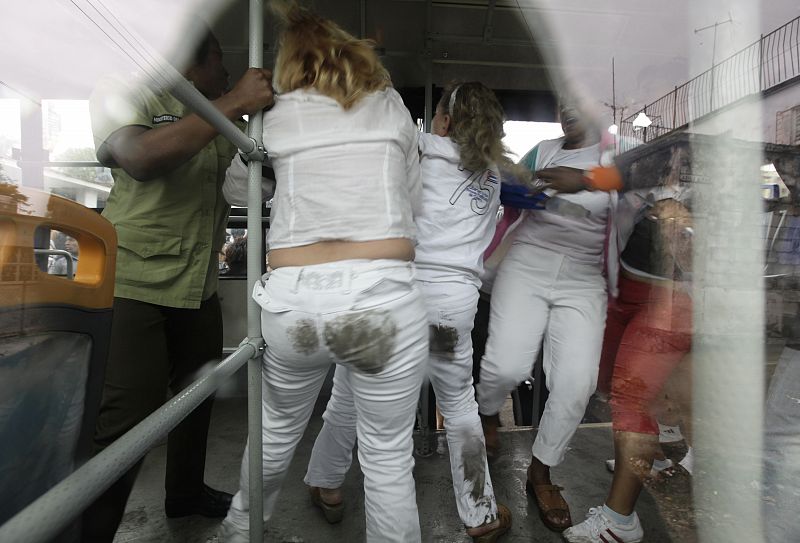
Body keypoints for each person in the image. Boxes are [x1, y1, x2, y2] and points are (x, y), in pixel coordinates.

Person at [217, 4, 427, 542]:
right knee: (386, 460)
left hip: (295, 306)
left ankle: (239, 533)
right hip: (382, 301)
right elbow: (413, 198)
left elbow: (236, 192)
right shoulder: (390, 104)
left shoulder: (273, 115)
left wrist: (279, 180)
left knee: (273, 435)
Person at [301, 82, 519, 542]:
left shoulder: (417, 147)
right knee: (459, 408)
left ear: (442, 120)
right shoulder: (494, 173)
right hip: (451, 311)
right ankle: (479, 513)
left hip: (392, 298)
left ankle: (327, 483)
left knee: (348, 395)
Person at [82, 26, 274, 542]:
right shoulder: (125, 87)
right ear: (192, 60)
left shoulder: (213, 118)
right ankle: (90, 529)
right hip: (134, 279)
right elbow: (140, 157)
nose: (228, 73)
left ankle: (184, 493)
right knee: (129, 414)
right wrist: (233, 103)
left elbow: (237, 188)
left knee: (201, 391)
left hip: (197, 283)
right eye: (220, 61)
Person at [477, 104, 617, 532]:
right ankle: (487, 413)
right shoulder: (543, 152)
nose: (568, 110)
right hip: (528, 262)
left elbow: (642, 179)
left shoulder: (619, 156)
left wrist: (587, 179)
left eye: (578, 100)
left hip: (583, 274)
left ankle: (541, 472)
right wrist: (512, 182)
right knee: (505, 366)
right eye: (562, 103)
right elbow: (502, 182)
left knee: (577, 383)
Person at [563, 173, 693, 543]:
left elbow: (691, 242)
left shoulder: (697, 186)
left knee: (631, 396)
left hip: (669, 294)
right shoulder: (641, 173)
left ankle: (619, 522)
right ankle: (657, 455)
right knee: (606, 381)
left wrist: (678, 222)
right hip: (623, 287)